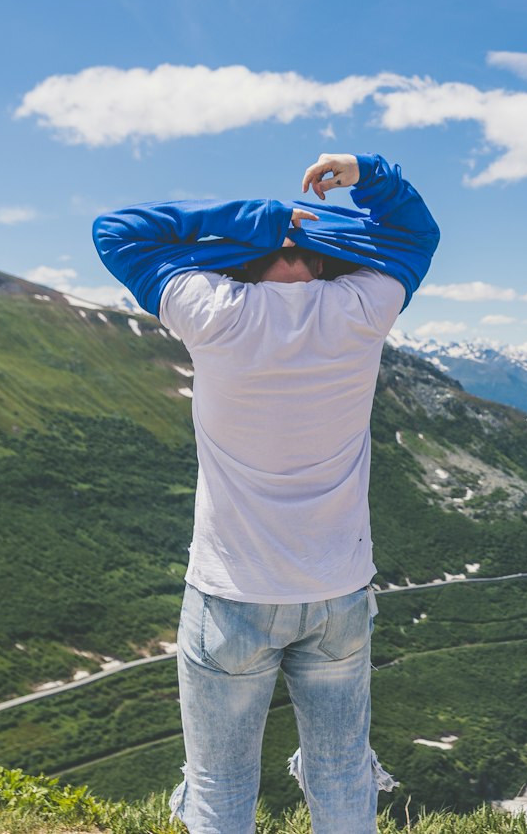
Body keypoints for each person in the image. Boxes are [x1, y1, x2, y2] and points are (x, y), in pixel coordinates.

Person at [92, 152, 439, 834]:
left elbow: (118, 231)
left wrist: (257, 220)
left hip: (232, 593)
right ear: (323, 253)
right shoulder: (362, 307)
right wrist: (364, 174)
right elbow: (415, 234)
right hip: (336, 590)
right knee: (342, 772)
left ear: (243, 257)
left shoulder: (213, 310)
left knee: (220, 787)